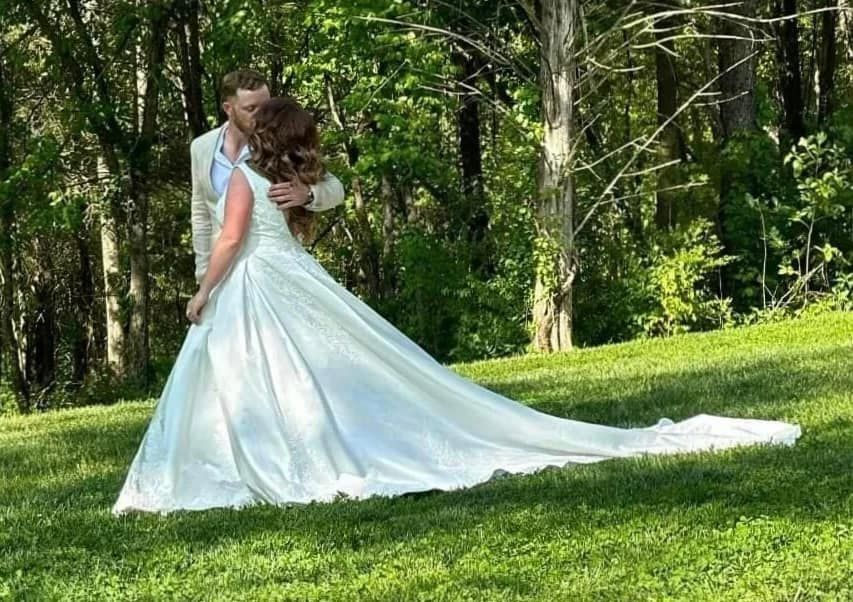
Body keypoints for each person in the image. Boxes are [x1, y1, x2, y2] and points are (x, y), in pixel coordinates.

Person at [111, 97, 801, 516]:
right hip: (287, 275)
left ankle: (266, 456)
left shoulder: (253, 180)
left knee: (259, 371)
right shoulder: (285, 178)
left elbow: (231, 238)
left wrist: (201, 292)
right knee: (299, 369)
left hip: (259, 281)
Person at [189, 69, 344, 285]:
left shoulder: (282, 143)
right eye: (251, 109)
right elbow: (201, 215)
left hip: (276, 271)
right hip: (222, 271)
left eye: (266, 107)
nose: (262, 115)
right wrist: (203, 275)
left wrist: (308, 195)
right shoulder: (201, 147)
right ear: (229, 109)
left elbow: (337, 189)